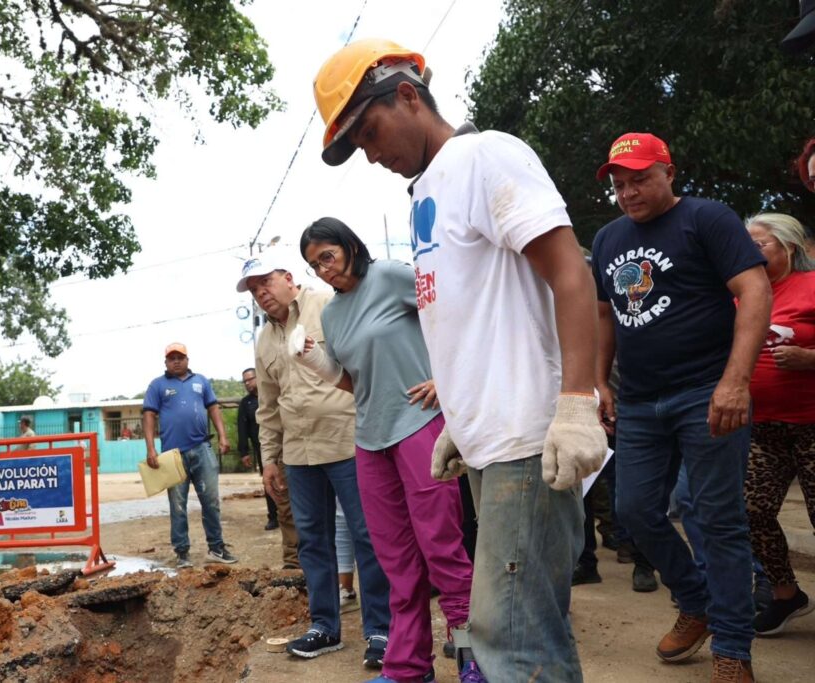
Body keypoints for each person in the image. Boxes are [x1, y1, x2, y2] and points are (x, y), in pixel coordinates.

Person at [313, 39, 604, 683]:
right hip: (487, 444)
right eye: (357, 144)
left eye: (370, 130)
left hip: (526, 440)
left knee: (513, 642)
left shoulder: (483, 156)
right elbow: (468, 323)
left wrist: (579, 401)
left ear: (409, 96)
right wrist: (457, 418)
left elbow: (570, 273)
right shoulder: (426, 195)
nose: (371, 152)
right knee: (524, 635)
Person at [592, 132, 772, 682]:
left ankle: (734, 649)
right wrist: (600, 381)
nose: (629, 192)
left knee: (717, 520)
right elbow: (605, 315)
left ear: (670, 172)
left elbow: (756, 290)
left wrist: (735, 381)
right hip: (641, 401)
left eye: (640, 178)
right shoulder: (606, 239)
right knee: (634, 513)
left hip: (706, 391)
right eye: (620, 184)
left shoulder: (707, 218)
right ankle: (695, 601)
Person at [294, 219, 472, 683]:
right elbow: (355, 379)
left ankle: (477, 660)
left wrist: (447, 379)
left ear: (351, 245)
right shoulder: (332, 315)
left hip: (419, 423)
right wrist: (320, 364)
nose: (324, 270)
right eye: (314, 266)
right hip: (370, 439)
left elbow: (456, 314)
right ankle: (409, 667)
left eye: (327, 257)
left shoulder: (391, 276)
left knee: (442, 548)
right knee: (396, 560)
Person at [236, 251, 391, 668]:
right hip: (299, 454)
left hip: (348, 442)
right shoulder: (265, 340)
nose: (261, 293)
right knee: (312, 541)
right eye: (253, 289)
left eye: (265, 282)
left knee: (367, 535)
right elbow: (267, 406)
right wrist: (270, 459)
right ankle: (324, 626)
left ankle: (381, 630)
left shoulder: (329, 306)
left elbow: (366, 364)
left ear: (288, 277)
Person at [742, 212, 815, 635]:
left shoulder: (810, 285)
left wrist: (809, 359)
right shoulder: (745, 291)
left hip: (810, 425)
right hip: (763, 428)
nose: (750, 251)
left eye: (760, 244)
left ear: (787, 246)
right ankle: (786, 595)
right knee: (750, 511)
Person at [142, 342, 238, 568]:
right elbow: (148, 415)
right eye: (171, 358)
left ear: (187, 360)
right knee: (178, 505)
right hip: (173, 456)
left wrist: (223, 436)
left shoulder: (201, 381)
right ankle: (182, 553)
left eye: (180, 357)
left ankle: (216, 548)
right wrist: (150, 448)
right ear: (165, 362)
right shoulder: (157, 385)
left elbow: (213, 408)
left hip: (202, 450)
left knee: (211, 502)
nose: (176, 361)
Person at [237, 367, 282, 534]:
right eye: (245, 381)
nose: (248, 383)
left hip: (283, 445)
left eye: (250, 379)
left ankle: (289, 514)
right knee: (269, 481)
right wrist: (244, 452)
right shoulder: (246, 403)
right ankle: (273, 516)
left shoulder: (272, 395)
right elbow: (242, 428)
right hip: (262, 449)